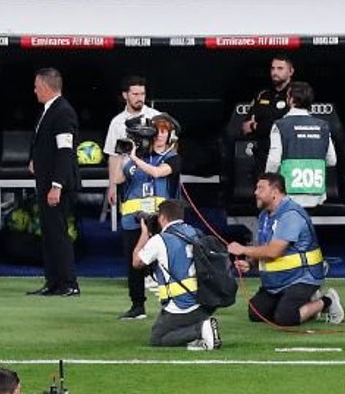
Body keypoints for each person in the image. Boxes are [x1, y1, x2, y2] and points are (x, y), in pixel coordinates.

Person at [228, 173, 343, 327]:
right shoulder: (264, 216)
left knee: (285, 318)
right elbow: (264, 246)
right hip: (279, 281)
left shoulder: (291, 215)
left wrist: (243, 249)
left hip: (303, 277)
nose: (255, 192)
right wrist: (251, 263)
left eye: (260, 188)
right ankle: (305, 303)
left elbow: (273, 251)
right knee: (256, 313)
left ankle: (327, 301)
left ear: (275, 192)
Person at [112, 113, 182, 321]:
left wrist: (134, 158)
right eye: (157, 131)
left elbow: (157, 173)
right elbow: (117, 178)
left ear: (171, 134)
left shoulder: (173, 158)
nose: (160, 135)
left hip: (162, 219)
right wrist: (123, 154)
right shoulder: (137, 157)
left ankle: (172, 303)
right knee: (133, 264)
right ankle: (137, 305)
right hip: (133, 219)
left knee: (166, 262)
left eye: (164, 131)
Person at [133, 199, 224, 349]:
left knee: (158, 337)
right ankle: (200, 327)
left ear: (162, 218)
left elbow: (137, 262)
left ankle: (201, 330)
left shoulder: (160, 240)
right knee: (163, 324)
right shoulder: (196, 232)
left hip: (184, 305)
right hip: (207, 300)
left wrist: (144, 233)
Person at [27, 68, 80, 298]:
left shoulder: (63, 113)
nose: (35, 91)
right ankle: (53, 281)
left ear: (47, 87)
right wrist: (35, 159)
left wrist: (56, 185)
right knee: (48, 233)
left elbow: (64, 152)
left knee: (58, 233)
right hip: (45, 182)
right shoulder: (48, 110)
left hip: (57, 186)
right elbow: (46, 145)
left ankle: (69, 282)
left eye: (37, 86)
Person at [265, 81, 338, 209]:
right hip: (316, 196)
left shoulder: (280, 125)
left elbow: (274, 161)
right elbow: (332, 160)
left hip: (287, 196)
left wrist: (265, 183)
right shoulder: (323, 126)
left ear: (290, 99)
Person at [102, 76, 159, 201]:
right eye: (135, 94)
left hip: (153, 177)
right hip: (128, 179)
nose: (140, 98)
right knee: (129, 217)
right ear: (125, 95)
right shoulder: (117, 122)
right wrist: (112, 186)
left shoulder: (156, 117)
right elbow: (114, 156)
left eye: (142, 94)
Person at [241, 54, 295, 177]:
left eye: (280, 68)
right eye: (272, 68)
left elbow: (287, 127)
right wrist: (264, 125)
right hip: (263, 154)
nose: (275, 72)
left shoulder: (296, 94)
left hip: (288, 156)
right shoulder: (262, 94)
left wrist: (256, 127)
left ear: (291, 71)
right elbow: (246, 126)